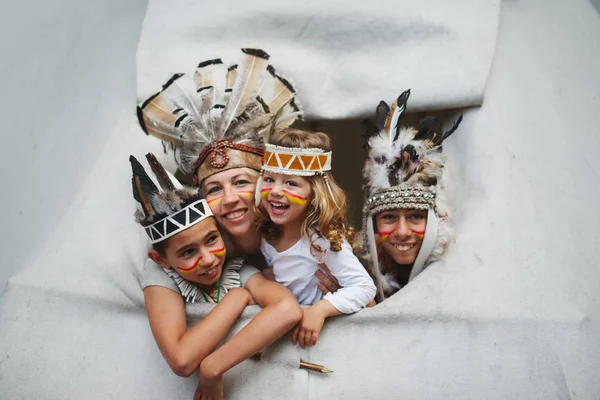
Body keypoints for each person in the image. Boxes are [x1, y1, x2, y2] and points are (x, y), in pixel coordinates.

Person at [131, 154, 301, 400]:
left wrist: (212, 367)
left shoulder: (237, 271)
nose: (209, 259)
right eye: (188, 252)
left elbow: (288, 309)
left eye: (212, 240)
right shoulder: (159, 277)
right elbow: (182, 360)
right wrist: (237, 298)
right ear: (161, 260)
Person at [255, 128, 377, 348]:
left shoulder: (322, 241)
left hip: (321, 342)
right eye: (269, 179)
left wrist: (320, 310)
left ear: (314, 194)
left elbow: (364, 287)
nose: (275, 191)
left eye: (290, 183)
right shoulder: (268, 237)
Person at [360, 89, 462, 301]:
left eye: (415, 216)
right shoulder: (352, 276)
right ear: (372, 225)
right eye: (389, 217)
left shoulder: (460, 272)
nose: (403, 232)